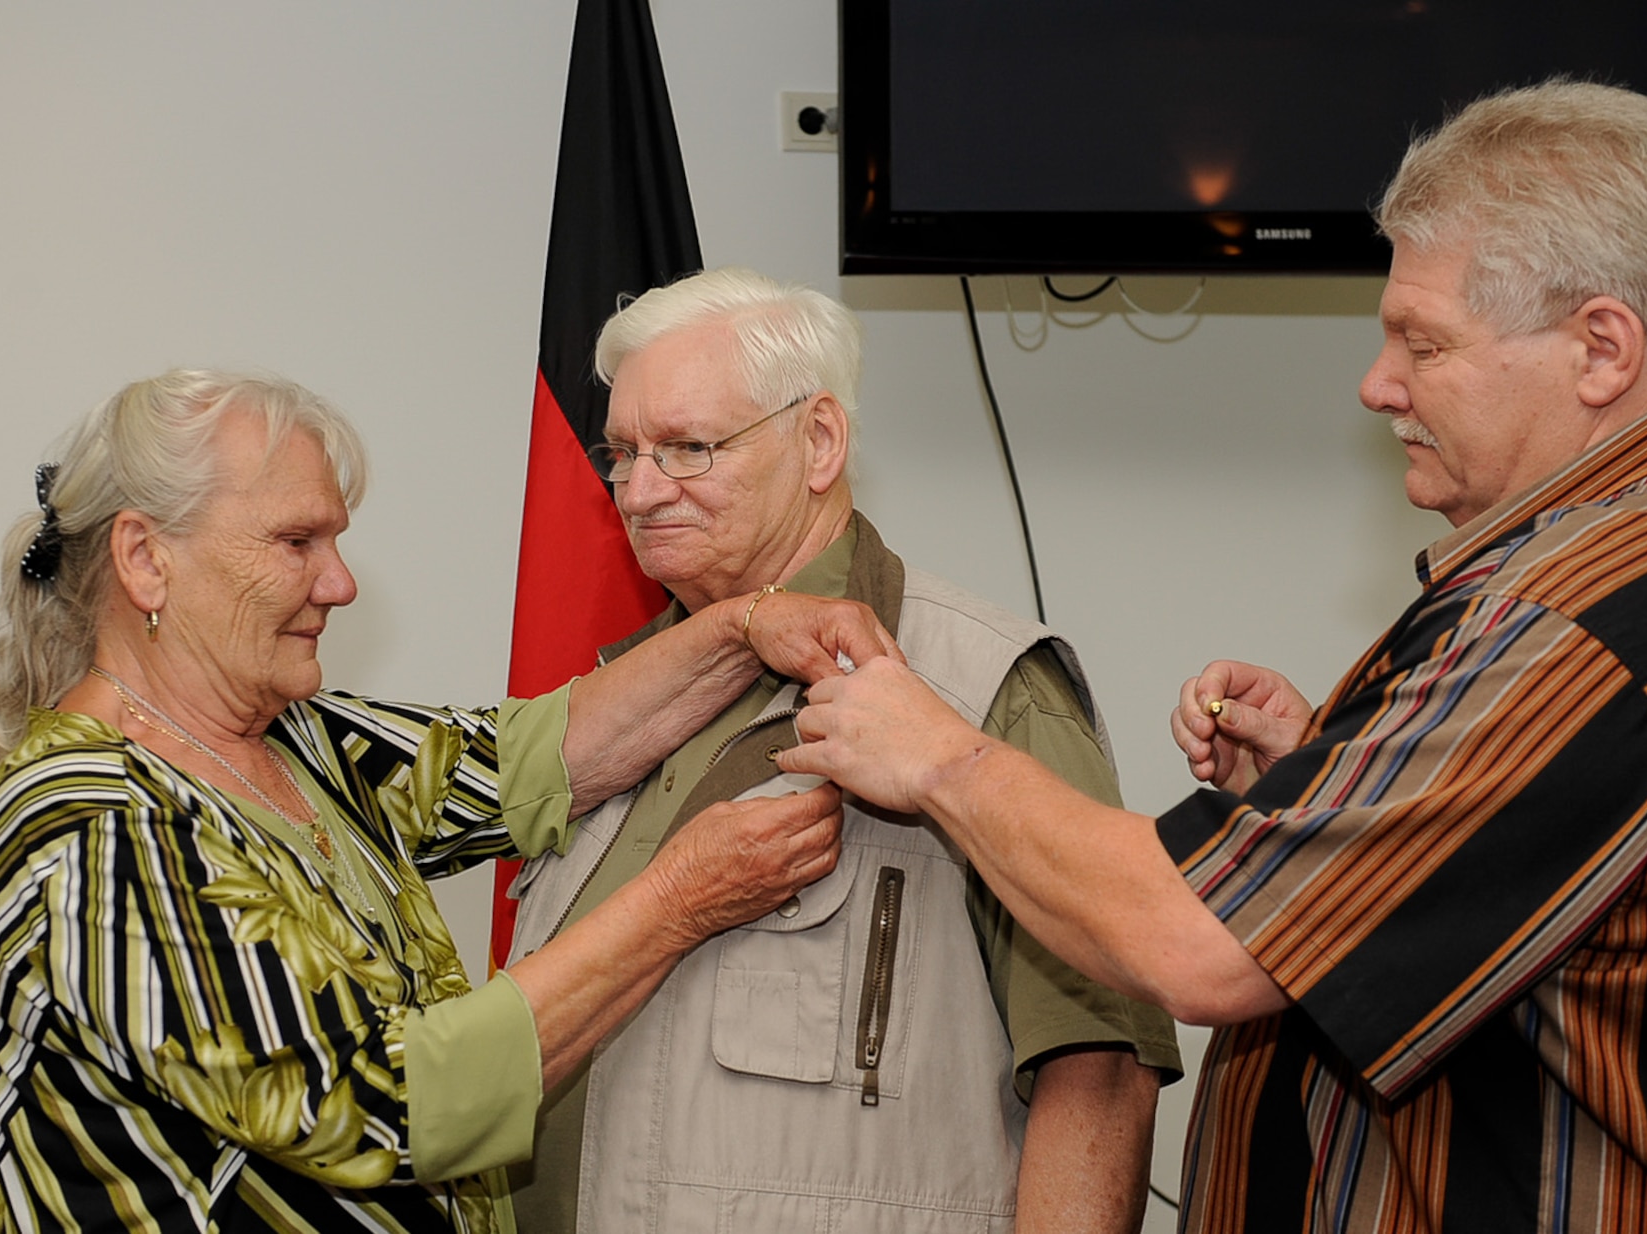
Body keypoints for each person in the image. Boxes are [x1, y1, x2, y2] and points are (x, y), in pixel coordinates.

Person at [781, 79, 1647, 1231]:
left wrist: (938, 755)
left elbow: (1196, 945)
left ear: (1599, 349)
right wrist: (1339, 783)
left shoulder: (1571, 626)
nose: (1377, 385)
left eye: (1420, 343)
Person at [0, 369, 903, 1233]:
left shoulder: (293, 736)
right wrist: (680, 898)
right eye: (295, 542)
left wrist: (745, 623)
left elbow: (532, 758)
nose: (341, 583)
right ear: (145, 559)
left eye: (335, 539)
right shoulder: (87, 827)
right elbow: (388, 1101)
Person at [501, 267, 1180, 1233]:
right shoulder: (616, 705)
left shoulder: (973, 684)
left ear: (818, 441)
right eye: (624, 454)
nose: (642, 492)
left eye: (689, 449)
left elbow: (1101, 1065)